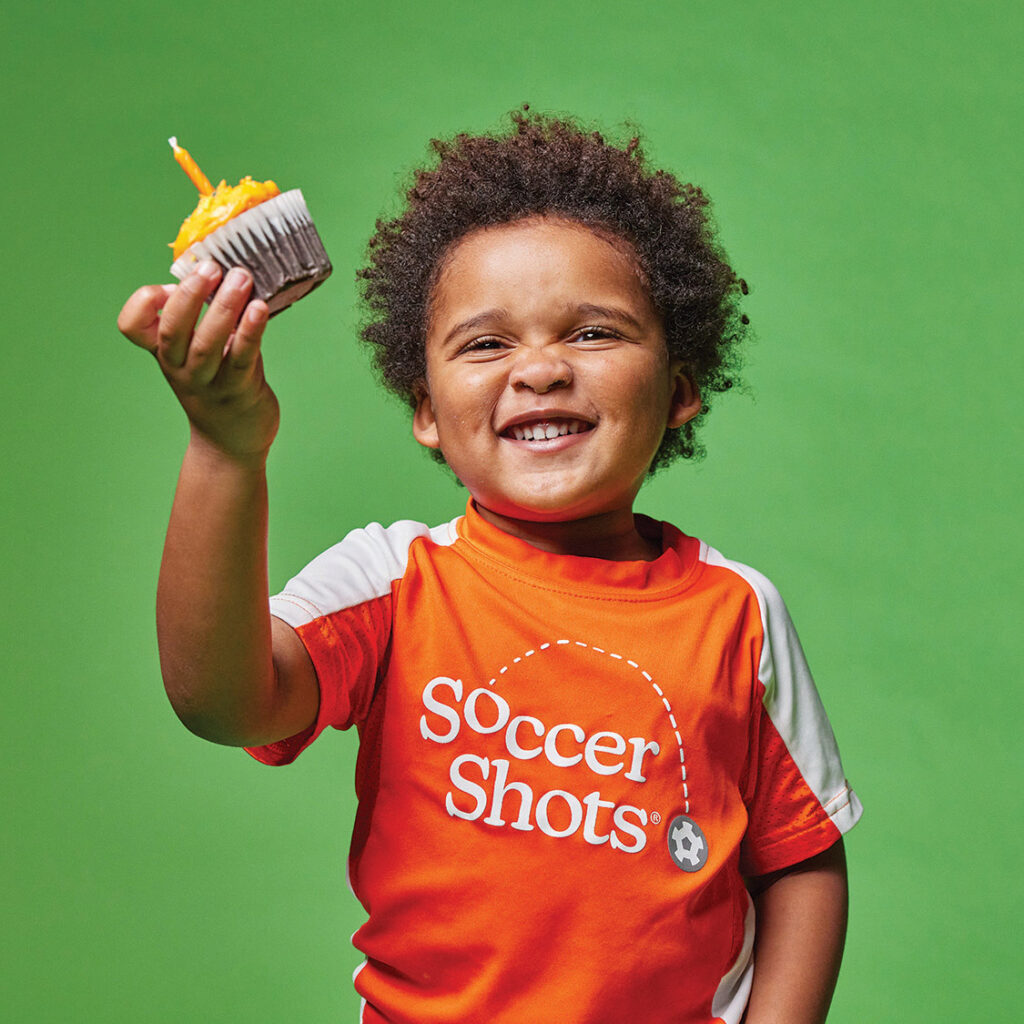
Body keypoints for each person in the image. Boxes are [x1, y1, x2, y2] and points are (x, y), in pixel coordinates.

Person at [118, 109, 862, 1024]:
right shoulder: (392, 581)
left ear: (678, 392)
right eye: (486, 342)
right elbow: (221, 702)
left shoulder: (738, 613)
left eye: (592, 333)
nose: (540, 369)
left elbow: (800, 858)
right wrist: (225, 448)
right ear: (425, 410)